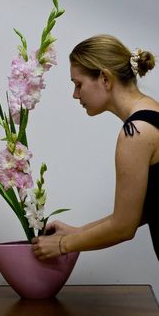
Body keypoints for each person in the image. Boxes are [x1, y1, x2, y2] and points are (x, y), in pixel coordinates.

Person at [31, 34, 159, 261]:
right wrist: (79, 232)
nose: (75, 94)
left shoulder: (136, 132)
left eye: (78, 84)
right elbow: (143, 210)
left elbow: (123, 228)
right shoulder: (152, 113)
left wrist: (62, 244)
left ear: (105, 79)